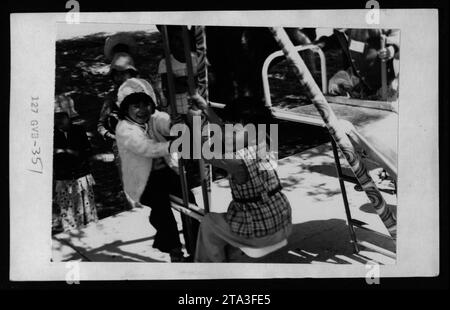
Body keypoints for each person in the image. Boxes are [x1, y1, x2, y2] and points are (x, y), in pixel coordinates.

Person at [190, 95, 293, 262]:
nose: (226, 132)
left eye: (234, 129)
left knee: (209, 223)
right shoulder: (265, 139)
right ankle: (233, 256)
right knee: (230, 226)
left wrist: (195, 123)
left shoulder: (236, 160)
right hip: (282, 220)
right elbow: (226, 136)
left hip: (263, 231)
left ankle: (206, 271)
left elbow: (203, 152)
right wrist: (206, 109)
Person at [115, 77, 199, 262]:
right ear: (125, 108)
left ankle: (196, 246)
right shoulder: (124, 129)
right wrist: (173, 144)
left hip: (163, 173)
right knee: (161, 207)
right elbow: (146, 148)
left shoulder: (153, 118)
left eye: (146, 104)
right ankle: (175, 251)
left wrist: (173, 124)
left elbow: (162, 120)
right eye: (136, 106)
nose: (142, 110)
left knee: (189, 199)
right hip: (142, 181)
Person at [316, 28, 400, 100]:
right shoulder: (339, 31)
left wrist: (392, 49)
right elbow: (336, 40)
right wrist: (324, 43)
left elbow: (397, 34)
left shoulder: (369, 25)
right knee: (334, 83)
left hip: (382, 79)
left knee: (384, 102)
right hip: (360, 77)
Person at [53, 98, 98, 231]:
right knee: (67, 207)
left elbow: (86, 151)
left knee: (86, 205)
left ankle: (90, 228)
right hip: (64, 176)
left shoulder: (78, 130)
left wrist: (70, 152)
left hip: (80, 173)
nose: (59, 121)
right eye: (56, 118)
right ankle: (71, 231)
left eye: (62, 117)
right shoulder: (52, 134)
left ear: (69, 117)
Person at [156, 25, 199, 116]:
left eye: (184, 39)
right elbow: (169, 88)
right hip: (177, 111)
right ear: (170, 41)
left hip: (198, 110)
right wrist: (193, 81)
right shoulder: (165, 63)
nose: (181, 43)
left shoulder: (197, 58)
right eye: (177, 39)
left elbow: (207, 81)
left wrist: (181, 81)